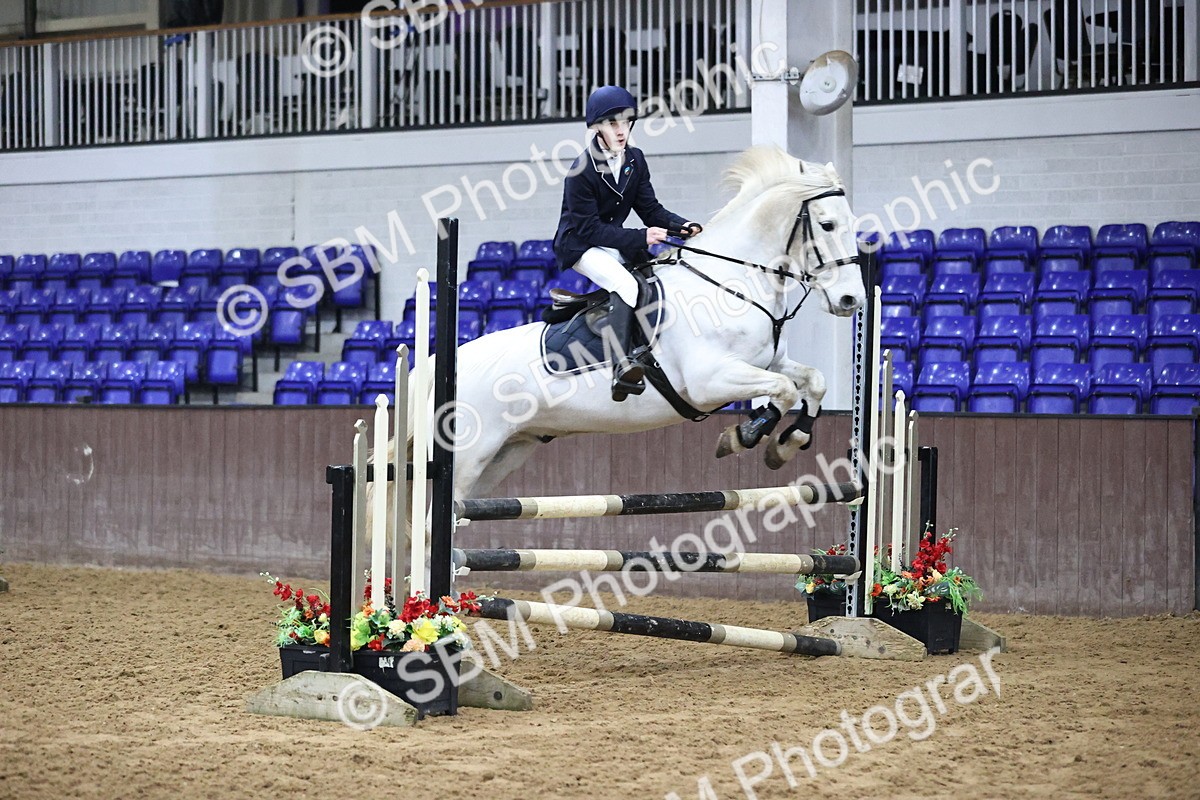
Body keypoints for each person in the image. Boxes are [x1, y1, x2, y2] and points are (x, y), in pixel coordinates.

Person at [553, 85, 701, 402]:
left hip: (608, 238)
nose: (621, 131)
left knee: (650, 278)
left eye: (625, 122)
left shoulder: (635, 159)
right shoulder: (581, 169)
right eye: (612, 124)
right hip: (579, 243)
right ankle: (621, 367)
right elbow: (590, 229)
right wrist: (640, 237)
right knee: (625, 284)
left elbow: (650, 210)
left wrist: (680, 225)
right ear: (597, 128)